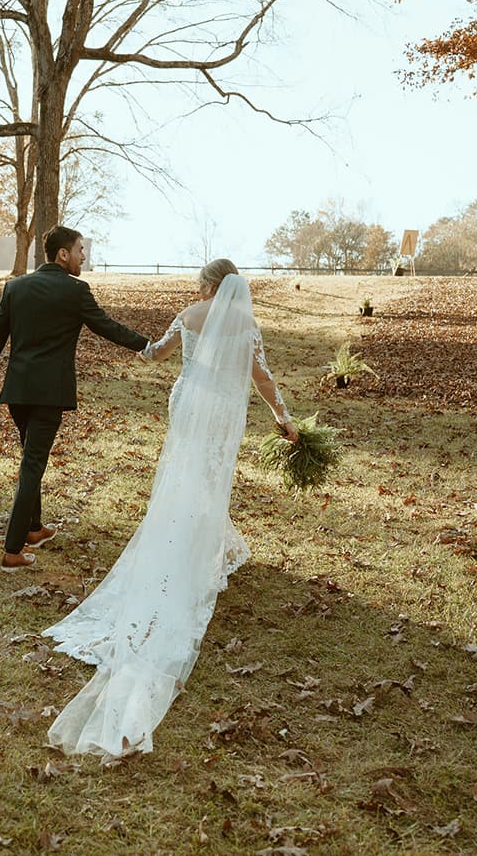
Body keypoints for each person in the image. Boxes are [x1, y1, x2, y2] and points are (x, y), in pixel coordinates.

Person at [41, 258, 296, 756]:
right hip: (223, 412)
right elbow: (262, 379)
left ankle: (191, 535)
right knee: (209, 479)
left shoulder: (191, 313)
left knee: (183, 476)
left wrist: (143, 348)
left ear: (207, 287)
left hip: (190, 403)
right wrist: (283, 417)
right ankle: (203, 539)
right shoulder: (247, 326)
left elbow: (156, 355)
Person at [0, 226, 150, 571]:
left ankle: (35, 529)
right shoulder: (75, 291)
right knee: (32, 465)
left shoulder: (15, 287)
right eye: (80, 250)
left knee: (30, 455)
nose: (84, 256)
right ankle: (12, 551)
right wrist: (147, 345)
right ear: (62, 254)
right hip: (49, 394)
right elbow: (107, 327)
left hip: (18, 392)